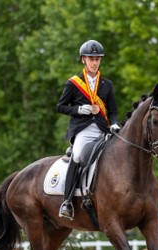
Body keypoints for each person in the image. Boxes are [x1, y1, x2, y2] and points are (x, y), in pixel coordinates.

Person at [56, 40, 119, 220]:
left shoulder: (107, 85)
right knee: (76, 156)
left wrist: (114, 123)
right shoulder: (74, 83)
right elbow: (60, 106)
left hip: (102, 129)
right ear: (83, 59)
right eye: (91, 58)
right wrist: (77, 110)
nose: (95, 62)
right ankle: (67, 201)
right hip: (82, 129)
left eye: (98, 59)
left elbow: (113, 111)